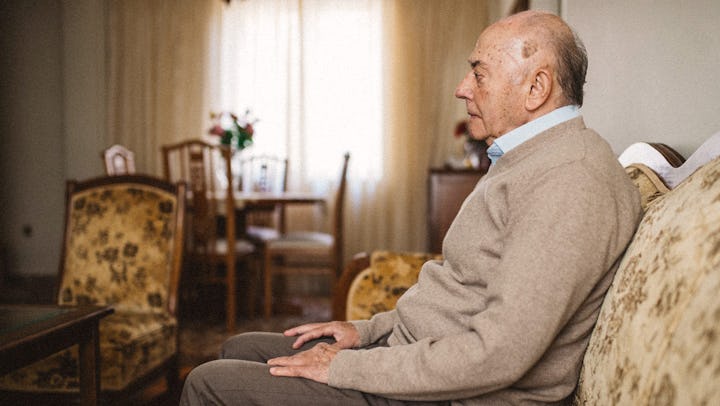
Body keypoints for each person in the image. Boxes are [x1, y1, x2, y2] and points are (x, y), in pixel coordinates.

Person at [181, 10, 642, 405]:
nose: (463, 88)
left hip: (454, 395)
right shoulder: (533, 158)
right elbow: (461, 295)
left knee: (208, 384)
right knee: (238, 347)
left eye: (479, 73)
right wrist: (369, 332)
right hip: (422, 365)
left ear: (536, 87)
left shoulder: (570, 179)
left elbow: (497, 354)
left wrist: (344, 369)